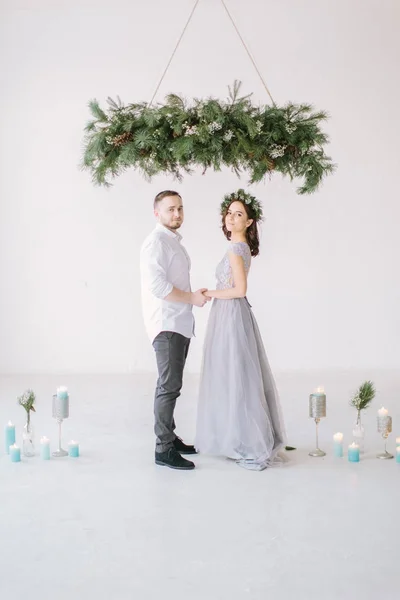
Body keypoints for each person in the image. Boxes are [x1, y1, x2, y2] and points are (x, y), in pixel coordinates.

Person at [195, 189, 286, 471]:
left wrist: (208, 292)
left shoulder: (237, 249)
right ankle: (240, 434)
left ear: (249, 222)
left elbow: (239, 289)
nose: (232, 217)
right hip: (231, 312)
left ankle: (246, 440)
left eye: (239, 214)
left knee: (235, 374)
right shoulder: (240, 247)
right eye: (229, 213)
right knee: (238, 374)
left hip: (231, 313)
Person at [140, 190, 209, 470]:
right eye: (170, 209)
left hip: (179, 322)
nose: (177, 214)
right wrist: (192, 298)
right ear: (157, 213)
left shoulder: (172, 242)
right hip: (166, 323)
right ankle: (163, 449)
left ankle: (171, 437)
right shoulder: (156, 243)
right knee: (168, 387)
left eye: (180, 208)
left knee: (174, 385)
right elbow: (158, 287)